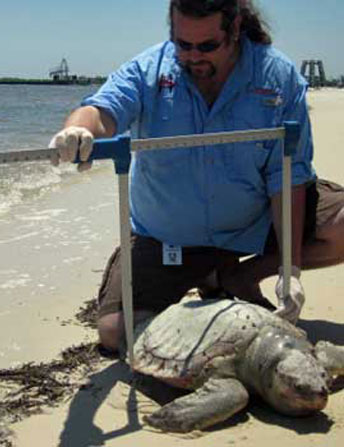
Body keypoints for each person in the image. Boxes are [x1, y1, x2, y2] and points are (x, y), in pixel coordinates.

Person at [49, 0, 344, 353]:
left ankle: (242, 276)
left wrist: (289, 268)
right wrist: (78, 132)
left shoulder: (278, 77)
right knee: (116, 333)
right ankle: (210, 282)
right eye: (182, 44)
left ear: (234, 29)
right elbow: (102, 110)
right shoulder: (148, 70)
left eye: (207, 46)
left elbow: (289, 176)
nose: (193, 56)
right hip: (167, 238)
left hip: (253, 226)